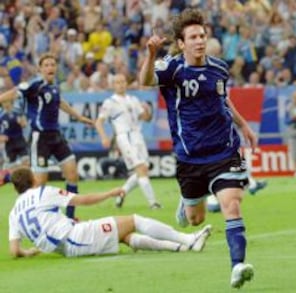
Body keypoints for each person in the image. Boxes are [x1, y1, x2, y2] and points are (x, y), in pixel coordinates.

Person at [139, 8, 255, 289]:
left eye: (202, 35)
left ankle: (237, 265)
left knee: (232, 203)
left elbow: (223, 100)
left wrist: (244, 126)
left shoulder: (219, 68)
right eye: (193, 37)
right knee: (195, 219)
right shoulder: (171, 68)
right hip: (190, 157)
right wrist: (151, 54)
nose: (200, 41)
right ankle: (186, 200)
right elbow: (144, 81)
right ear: (181, 43)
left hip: (225, 150)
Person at [8, 167, 211, 258]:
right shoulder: (43, 191)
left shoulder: (13, 213)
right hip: (75, 239)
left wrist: (29, 252)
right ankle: (188, 239)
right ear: (34, 180)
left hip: (70, 241)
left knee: (125, 235)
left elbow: (15, 250)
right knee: (133, 220)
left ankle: (181, 248)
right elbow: (83, 200)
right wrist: (110, 193)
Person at [0, 52, 94, 219]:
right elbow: (14, 93)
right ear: (40, 69)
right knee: (38, 184)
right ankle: (23, 214)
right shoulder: (34, 84)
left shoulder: (54, 86)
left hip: (56, 136)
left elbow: (60, 102)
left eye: (53, 64)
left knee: (72, 174)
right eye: (47, 65)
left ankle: (70, 218)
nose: (51, 67)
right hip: (40, 138)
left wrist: (79, 117)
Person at [95, 73, 161, 209]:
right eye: (118, 82)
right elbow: (99, 122)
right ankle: (153, 203)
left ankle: (122, 193)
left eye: (123, 81)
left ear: (126, 83)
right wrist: (104, 137)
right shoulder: (110, 102)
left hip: (137, 136)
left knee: (143, 170)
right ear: (113, 85)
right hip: (125, 136)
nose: (121, 84)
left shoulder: (134, 99)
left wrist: (149, 112)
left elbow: (145, 118)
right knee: (141, 169)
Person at [0, 100, 29, 172]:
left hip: (20, 140)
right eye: (3, 102)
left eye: (7, 101)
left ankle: (25, 180)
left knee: (26, 162)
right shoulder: (1, 114)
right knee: (10, 167)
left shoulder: (18, 112)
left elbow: (25, 124)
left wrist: (22, 122)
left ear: (11, 102)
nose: (5, 104)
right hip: (8, 143)